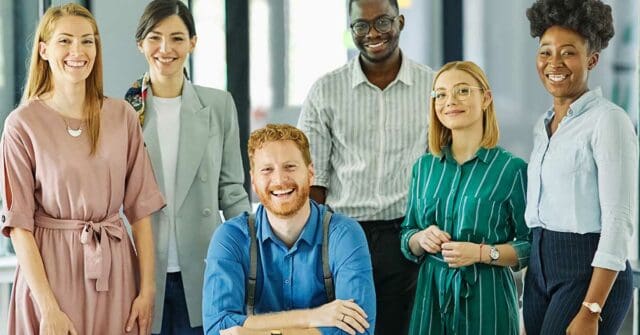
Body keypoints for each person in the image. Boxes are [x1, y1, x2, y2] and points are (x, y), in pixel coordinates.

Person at [0, 3, 165, 334]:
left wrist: (147, 290)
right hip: (51, 276)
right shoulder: (22, 125)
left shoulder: (122, 117)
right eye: (65, 41)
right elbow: (19, 226)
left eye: (87, 41)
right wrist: (47, 306)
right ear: (44, 50)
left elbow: (141, 213)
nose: (78, 51)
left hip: (116, 274)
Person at [296, 0, 433, 332]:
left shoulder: (432, 87)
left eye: (383, 22)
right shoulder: (325, 91)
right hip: (344, 233)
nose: (373, 33)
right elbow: (312, 178)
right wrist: (313, 248)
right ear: (351, 29)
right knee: (348, 328)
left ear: (400, 21)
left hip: (407, 234)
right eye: (361, 25)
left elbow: (440, 168)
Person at [125, 1, 251, 334]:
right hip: (140, 270)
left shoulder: (218, 105)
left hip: (206, 266)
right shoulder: (121, 112)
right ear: (141, 44)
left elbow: (231, 190)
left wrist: (250, 255)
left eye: (178, 38)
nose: (166, 49)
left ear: (193, 43)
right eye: (155, 37)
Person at [522, 1, 638, 334]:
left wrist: (591, 308)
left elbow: (619, 221)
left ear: (592, 59)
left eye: (568, 53)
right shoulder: (542, 126)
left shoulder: (608, 120)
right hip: (540, 268)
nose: (554, 63)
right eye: (545, 52)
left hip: (588, 271)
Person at [203, 124, 376, 335]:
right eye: (267, 170)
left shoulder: (344, 234)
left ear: (311, 174)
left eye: (290, 167)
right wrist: (313, 316)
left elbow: (358, 330)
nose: (279, 179)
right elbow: (217, 326)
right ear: (254, 181)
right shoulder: (231, 237)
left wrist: (251, 331)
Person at [399, 61, 530, 334]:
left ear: (486, 98)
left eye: (462, 91)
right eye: (441, 94)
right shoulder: (423, 168)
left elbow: (529, 246)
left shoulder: (512, 169)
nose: (450, 101)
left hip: (488, 302)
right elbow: (406, 235)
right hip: (430, 298)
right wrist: (420, 239)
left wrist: (482, 253)